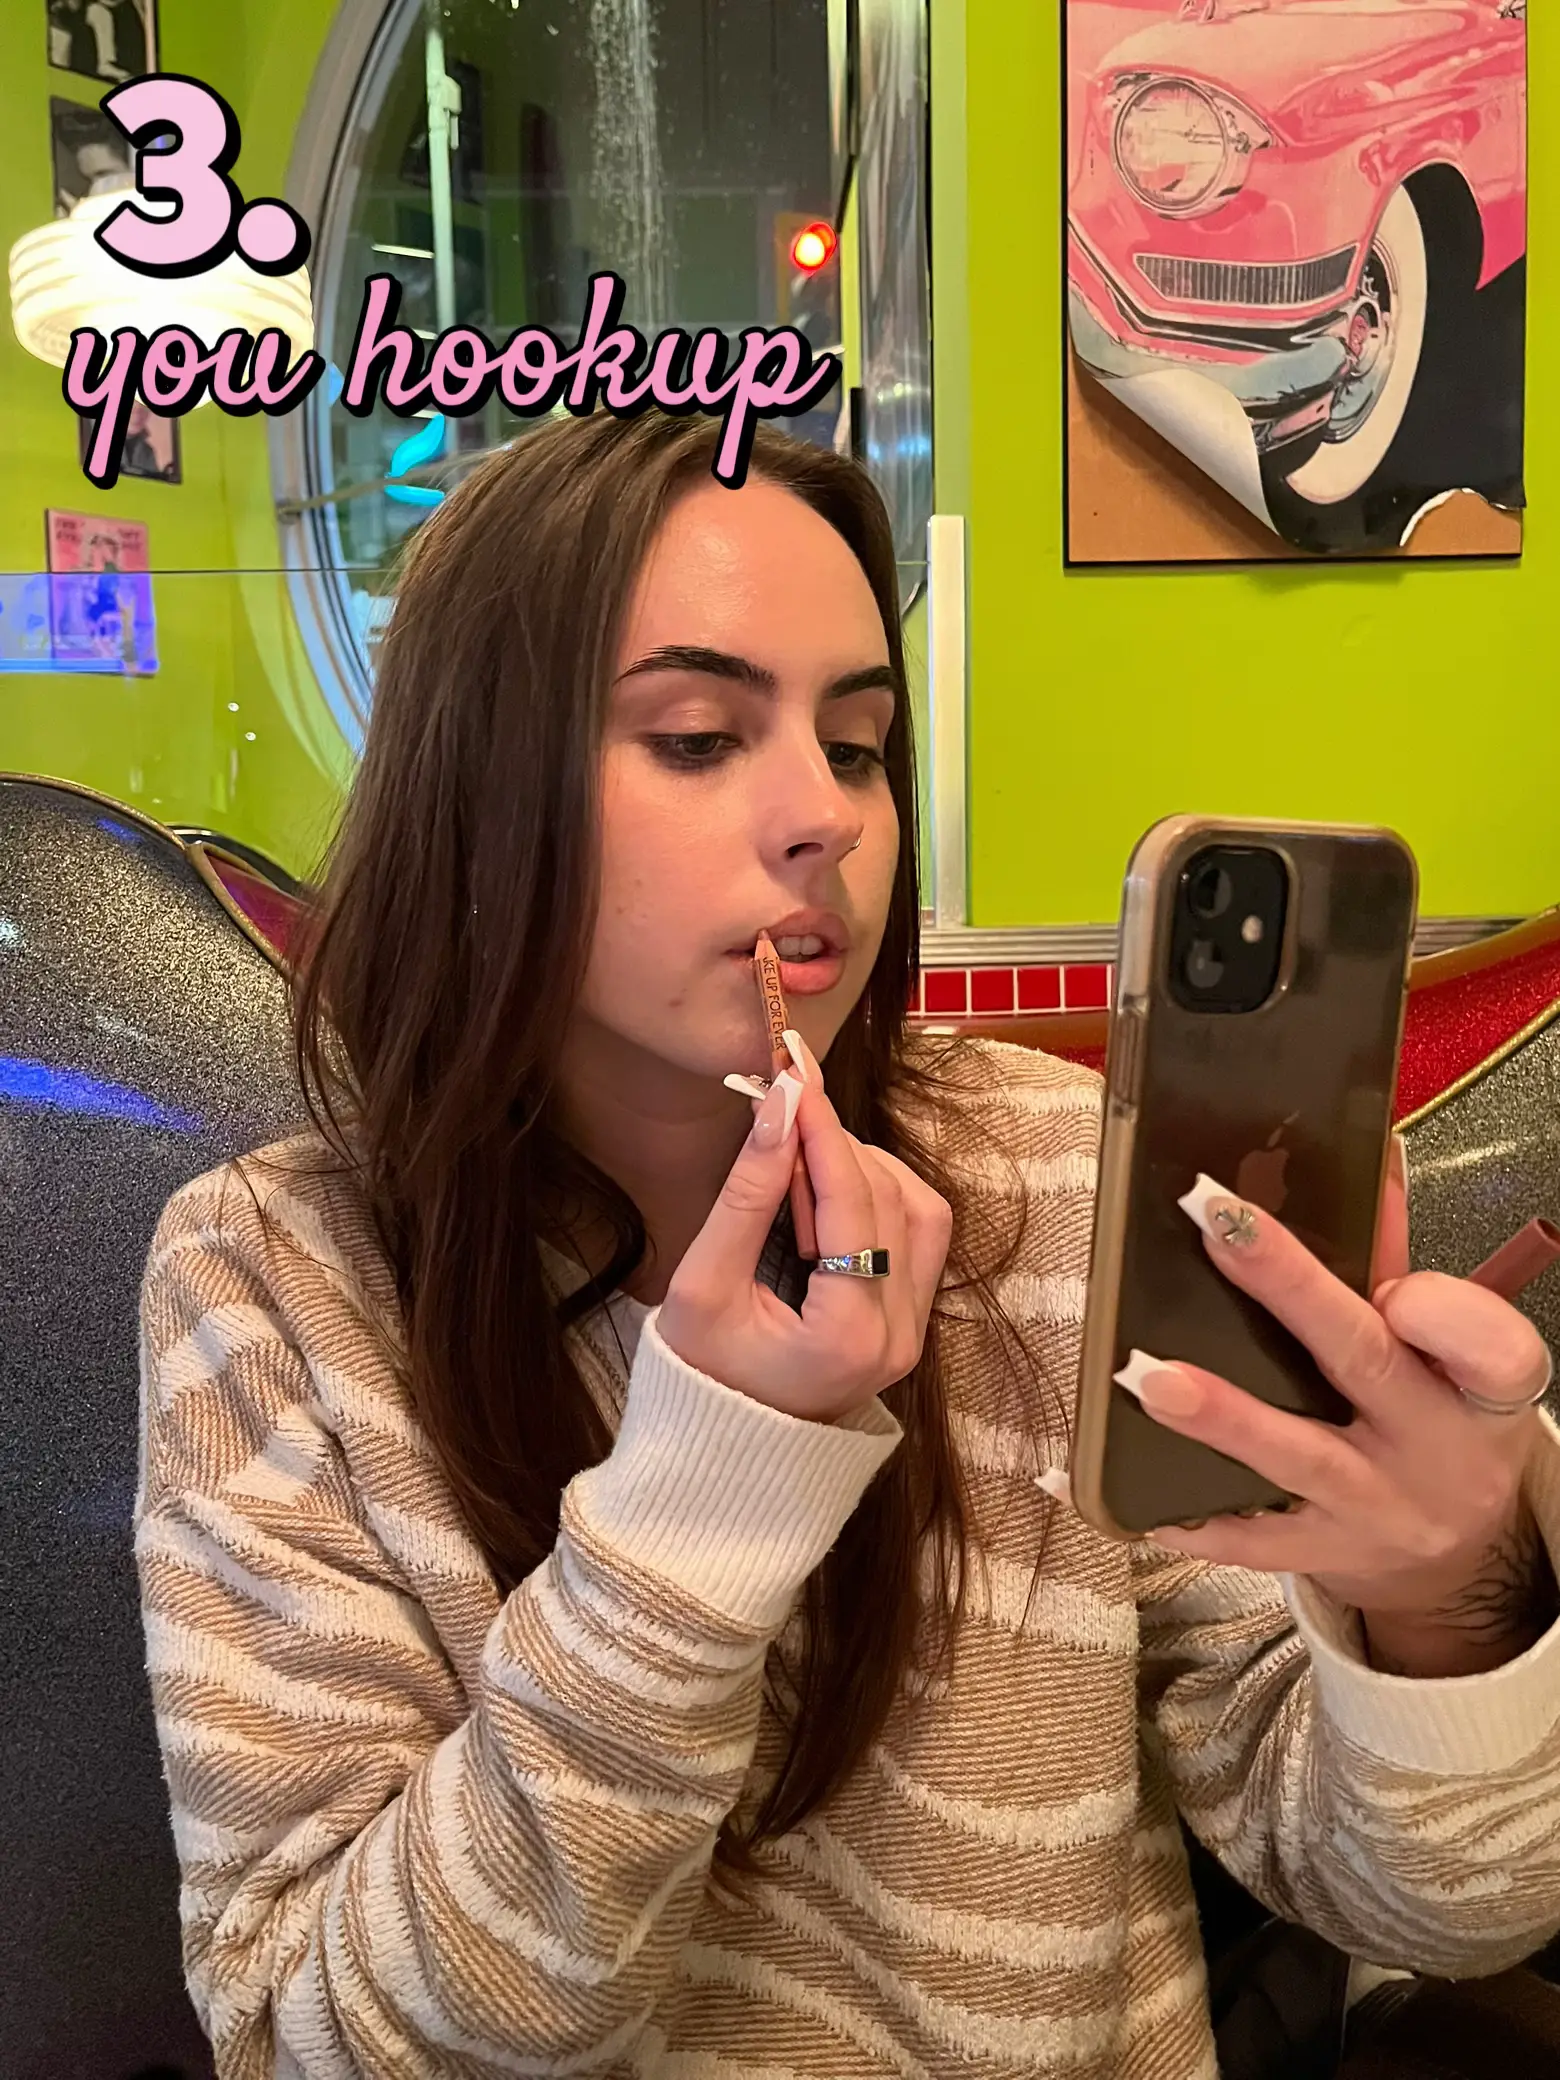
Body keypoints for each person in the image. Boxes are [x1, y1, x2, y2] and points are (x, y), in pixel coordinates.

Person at [134, 412, 1560, 2079]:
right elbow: (321, 2040)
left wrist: (1455, 1595)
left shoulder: (1059, 1178)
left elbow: (1442, 1905)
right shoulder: (270, 1275)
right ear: (475, 787)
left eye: (862, 744)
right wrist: (708, 1494)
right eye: (694, 737)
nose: (826, 815)